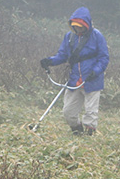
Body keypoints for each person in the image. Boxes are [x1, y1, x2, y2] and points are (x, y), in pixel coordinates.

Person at [40, 7, 110, 135]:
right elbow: (62, 55)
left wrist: (95, 71)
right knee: (68, 112)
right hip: (74, 80)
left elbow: (104, 58)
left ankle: (89, 136)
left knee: (91, 111)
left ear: (86, 25)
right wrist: (49, 61)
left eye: (81, 26)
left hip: (92, 81)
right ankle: (77, 131)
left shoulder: (97, 36)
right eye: (75, 26)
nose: (78, 29)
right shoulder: (69, 37)